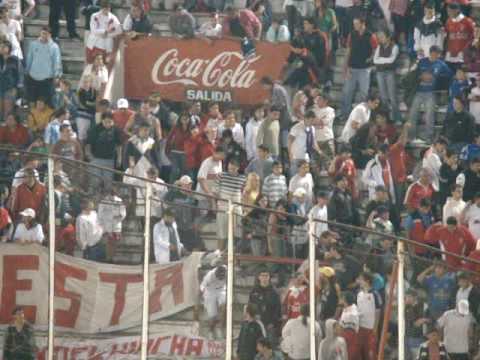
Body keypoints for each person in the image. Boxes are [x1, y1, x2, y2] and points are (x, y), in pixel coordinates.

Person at [408, 46, 453, 143]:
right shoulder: (422, 61)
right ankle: (411, 136)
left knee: (429, 115)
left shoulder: (441, 64)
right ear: (430, 53)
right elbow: (413, 73)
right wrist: (421, 77)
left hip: (431, 92)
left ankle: (429, 137)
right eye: (433, 53)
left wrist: (438, 79)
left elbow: (449, 74)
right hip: (419, 91)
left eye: (437, 54)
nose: (435, 55)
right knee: (412, 113)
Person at [340, 16, 377, 119]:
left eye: (356, 23)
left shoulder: (370, 35)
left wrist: (370, 59)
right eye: (354, 24)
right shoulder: (352, 35)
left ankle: (362, 116)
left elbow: (375, 50)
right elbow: (348, 51)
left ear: (362, 23)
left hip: (364, 69)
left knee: (364, 93)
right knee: (347, 91)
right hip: (352, 67)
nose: (354, 26)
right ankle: (345, 113)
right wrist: (344, 67)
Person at [25, 27, 62, 106]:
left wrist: (57, 76)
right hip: (32, 77)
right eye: (42, 33)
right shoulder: (33, 44)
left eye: (46, 34)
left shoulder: (54, 47)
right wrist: (27, 72)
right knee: (32, 102)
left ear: (50, 35)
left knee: (45, 103)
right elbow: (29, 59)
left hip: (46, 79)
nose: (44, 35)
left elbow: (57, 62)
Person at [373, 30, 400, 123]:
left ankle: (397, 118)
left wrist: (381, 59)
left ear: (388, 37)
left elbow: (391, 60)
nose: (380, 39)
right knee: (383, 97)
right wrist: (384, 60)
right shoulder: (379, 47)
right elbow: (375, 60)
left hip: (390, 72)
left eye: (382, 36)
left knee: (392, 97)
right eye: (379, 37)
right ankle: (386, 118)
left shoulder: (395, 47)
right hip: (380, 73)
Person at [248, 269, 282, 343]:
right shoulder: (254, 291)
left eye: (266, 276)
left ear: (269, 277)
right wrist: (251, 317)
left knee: (269, 344)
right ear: (259, 277)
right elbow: (250, 306)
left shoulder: (274, 292)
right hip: (256, 322)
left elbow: (277, 309)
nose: (264, 278)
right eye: (262, 275)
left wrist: (273, 322)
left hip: (269, 324)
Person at [356, 271, 382, 360]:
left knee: (371, 354)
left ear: (367, 281)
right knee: (360, 353)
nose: (358, 281)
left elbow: (378, 312)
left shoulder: (375, 294)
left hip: (371, 329)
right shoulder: (359, 294)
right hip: (360, 328)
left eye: (360, 279)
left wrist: (375, 328)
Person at [97, 187, 126, 262]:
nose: (112, 196)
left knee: (115, 242)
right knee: (108, 242)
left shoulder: (119, 201)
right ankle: (108, 258)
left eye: (114, 194)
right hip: (107, 225)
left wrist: (118, 217)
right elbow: (100, 214)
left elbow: (123, 213)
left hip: (116, 225)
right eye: (111, 194)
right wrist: (102, 223)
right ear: (108, 193)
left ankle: (112, 257)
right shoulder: (104, 201)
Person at [444, 3, 475, 71]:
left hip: (463, 53)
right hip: (450, 53)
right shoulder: (448, 21)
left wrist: (468, 49)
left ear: (457, 10)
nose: (448, 13)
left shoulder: (467, 21)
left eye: (450, 11)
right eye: (447, 11)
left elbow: (473, 36)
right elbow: (446, 35)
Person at [200, 264, 227, 340]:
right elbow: (202, 286)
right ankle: (210, 331)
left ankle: (221, 328)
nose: (220, 278)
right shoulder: (209, 276)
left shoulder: (226, 270)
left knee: (225, 306)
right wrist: (202, 297)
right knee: (213, 315)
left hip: (221, 290)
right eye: (219, 277)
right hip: (210, 292)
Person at [0, 40, 23, 120]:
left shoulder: (15, 60)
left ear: (9, 48)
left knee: (8, 111)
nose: (1, 48)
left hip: (10, 89)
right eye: (0, 47)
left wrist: (17, 89)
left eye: (3, 47)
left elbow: (20, 75)